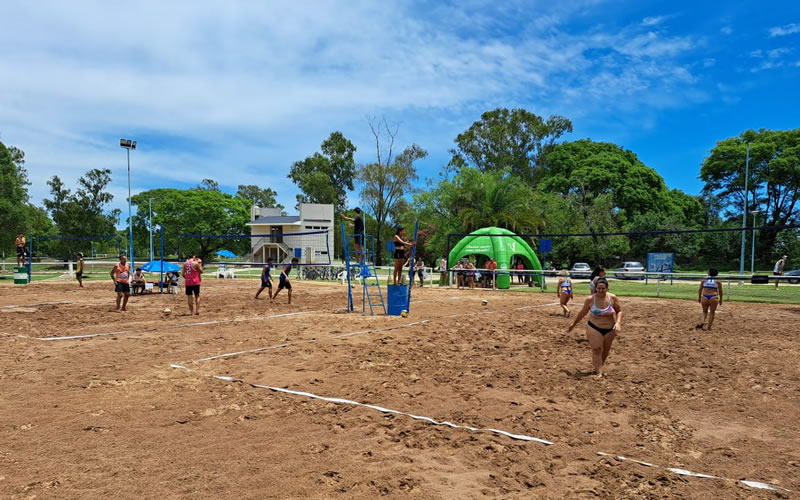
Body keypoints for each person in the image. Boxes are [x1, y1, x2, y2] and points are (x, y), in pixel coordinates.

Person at [567, 278, 623, 378]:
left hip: (610, 329)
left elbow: (619, 311)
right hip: (594, 327)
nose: (601, 290)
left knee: (605, 350)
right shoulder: (590, 299)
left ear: (607, 288)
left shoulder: (612, 298)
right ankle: (598, 372)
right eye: (599, 288)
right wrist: (574, 324)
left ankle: (598, 367)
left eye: (603, 288)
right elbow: (582, 313)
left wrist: (618, 323)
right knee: (597, 349)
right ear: (595, 288)